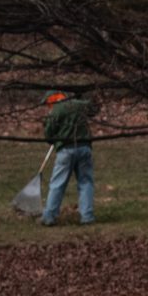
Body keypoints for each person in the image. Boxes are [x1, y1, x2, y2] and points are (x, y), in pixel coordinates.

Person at [40, 90, 96, 226]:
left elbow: (48, 136)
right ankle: (87, 217)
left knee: (58, 184)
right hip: (85, 148)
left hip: (66, 151)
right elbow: (94, 108)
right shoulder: (79, 105)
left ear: (52, 100)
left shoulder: (56, 111)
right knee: (86, 182)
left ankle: (49, 217)